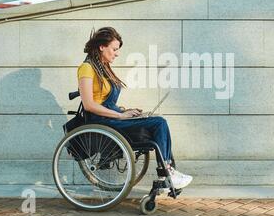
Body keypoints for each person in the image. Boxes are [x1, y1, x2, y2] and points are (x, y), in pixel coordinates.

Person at [77, 26, 193, 189]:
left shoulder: (103, 69)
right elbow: (89, 105)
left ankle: (168, 171)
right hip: (101, 121)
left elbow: (106, 101)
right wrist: (120, 116)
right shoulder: (87, 68)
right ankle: (167, 172)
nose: (117, 53)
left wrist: (125, 111)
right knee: (158, 123)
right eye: (114, 49)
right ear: (102, 47)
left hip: (110, 116)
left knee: (155, 120)